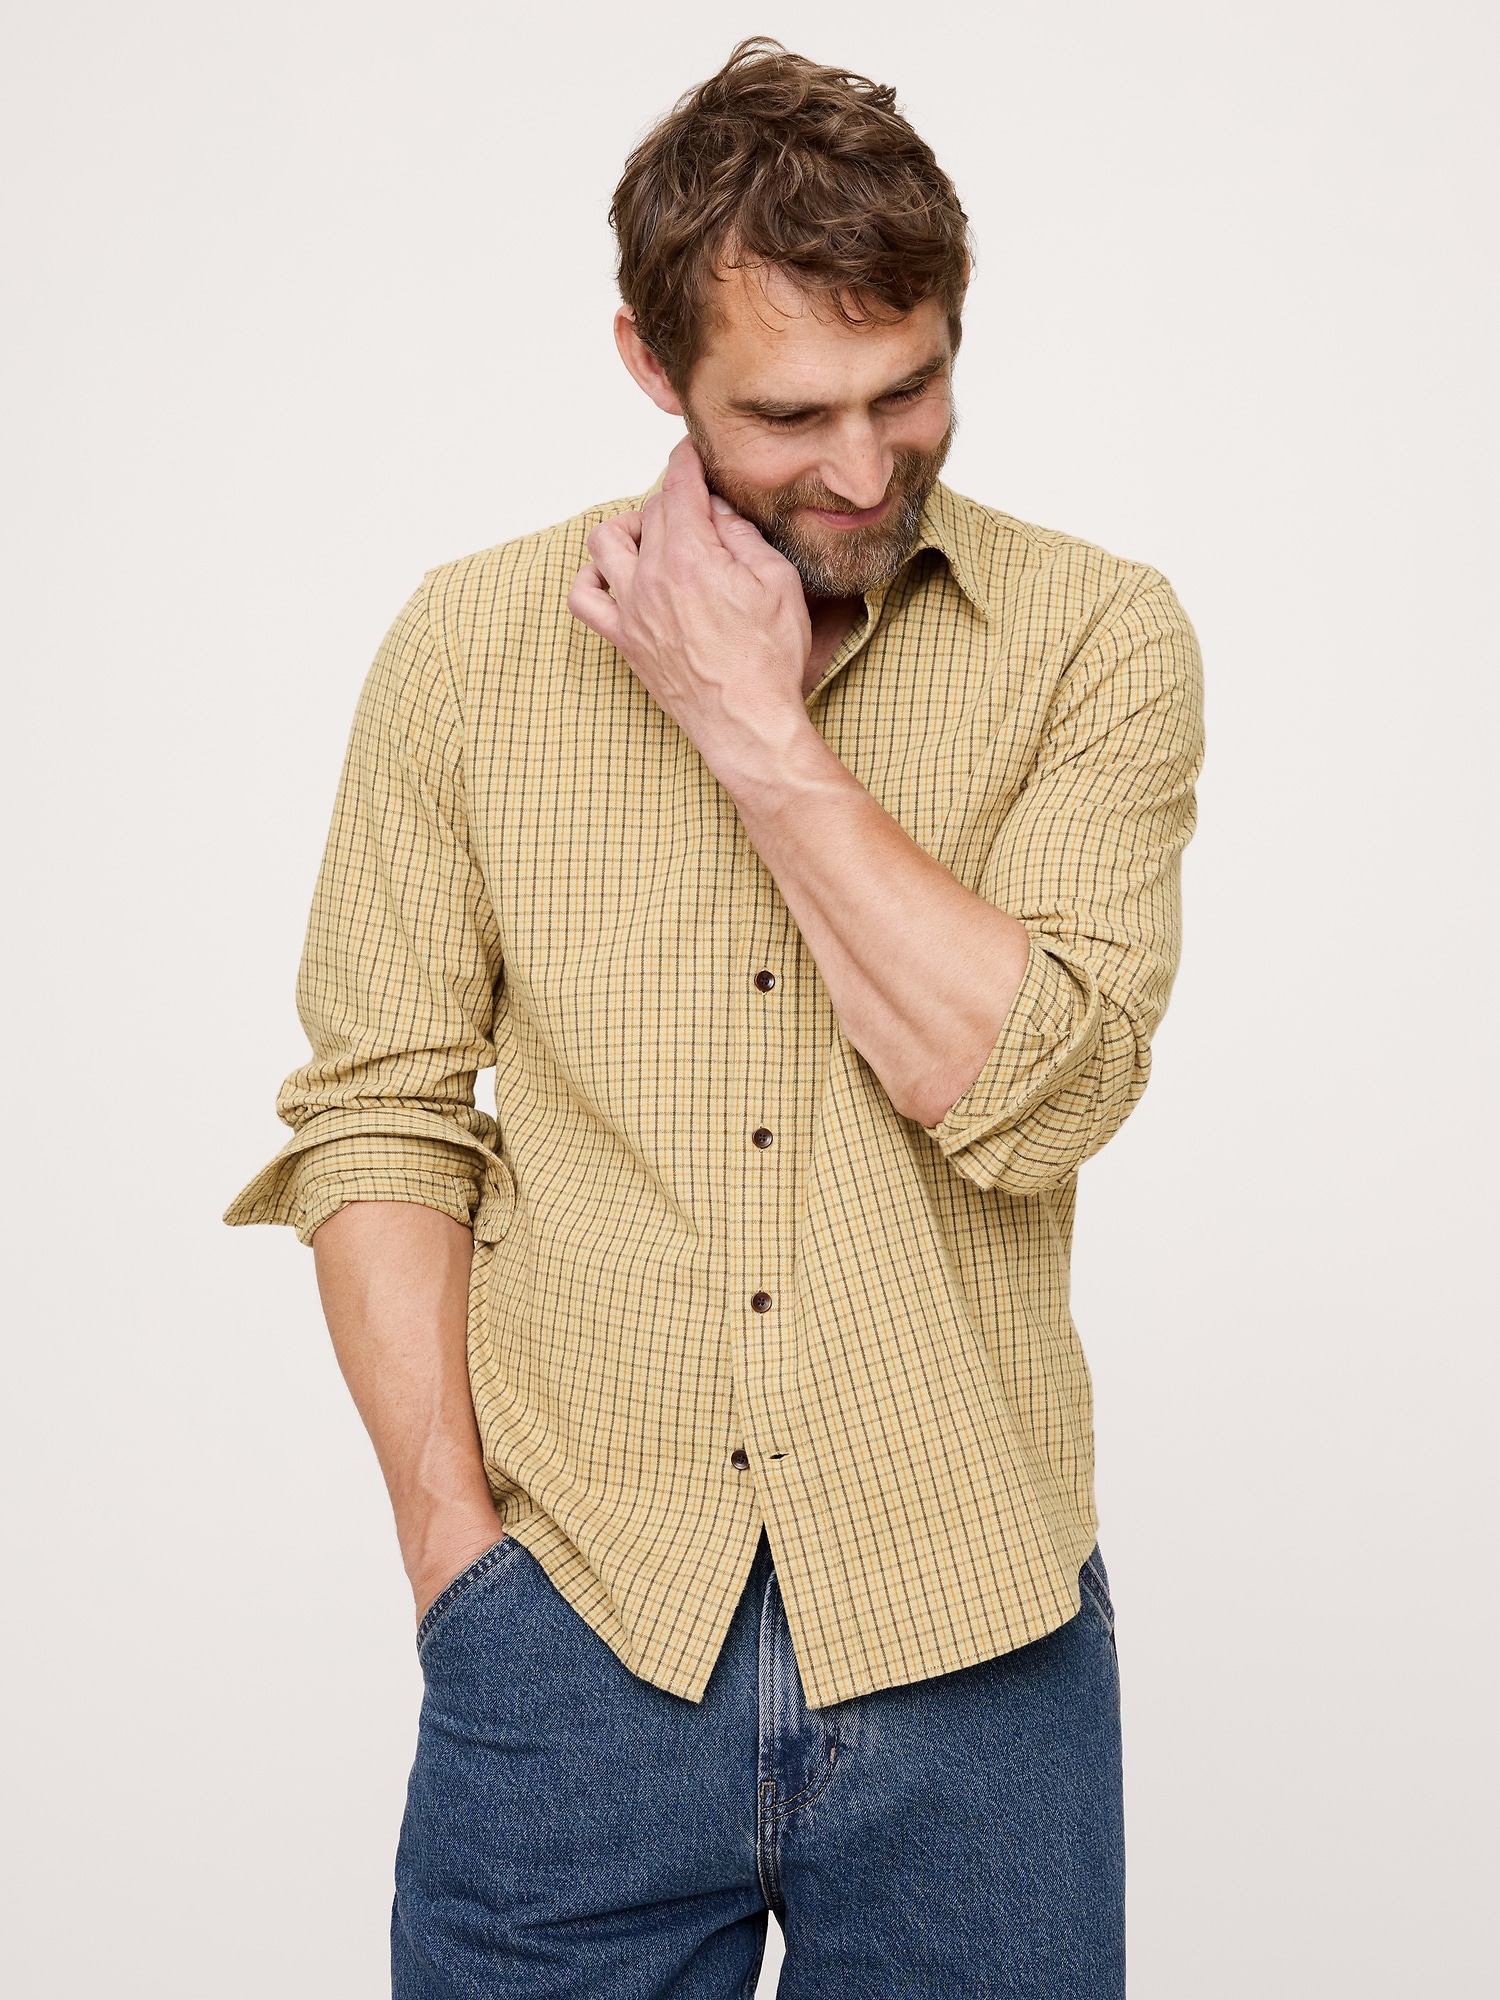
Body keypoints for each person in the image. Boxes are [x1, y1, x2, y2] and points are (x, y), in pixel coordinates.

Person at [227, 37, 1203, 2000]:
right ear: (650, 364)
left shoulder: (1098, 639)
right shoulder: (471, 651)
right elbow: (381, 1115)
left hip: (978, 1654)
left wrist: (753, 727)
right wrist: (456, 1564)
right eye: (788, 413)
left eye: (908, 386)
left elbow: (1034, 1089)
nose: (862, 468)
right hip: (576, 1644)